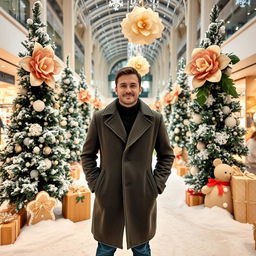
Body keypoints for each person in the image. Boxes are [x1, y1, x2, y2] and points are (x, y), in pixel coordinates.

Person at [81, 67, 174, 256]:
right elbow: (87, 154)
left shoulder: (155, 119)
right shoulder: (100, 118)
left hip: (142, 193)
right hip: (108, 192)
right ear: (116, 88)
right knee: (105, 247)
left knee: (141, 246)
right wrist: (96, 183)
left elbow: (166, 155)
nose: (128, 90)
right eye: (123, 85)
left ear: (140, 89)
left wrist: (155, 185)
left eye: (133, 85)